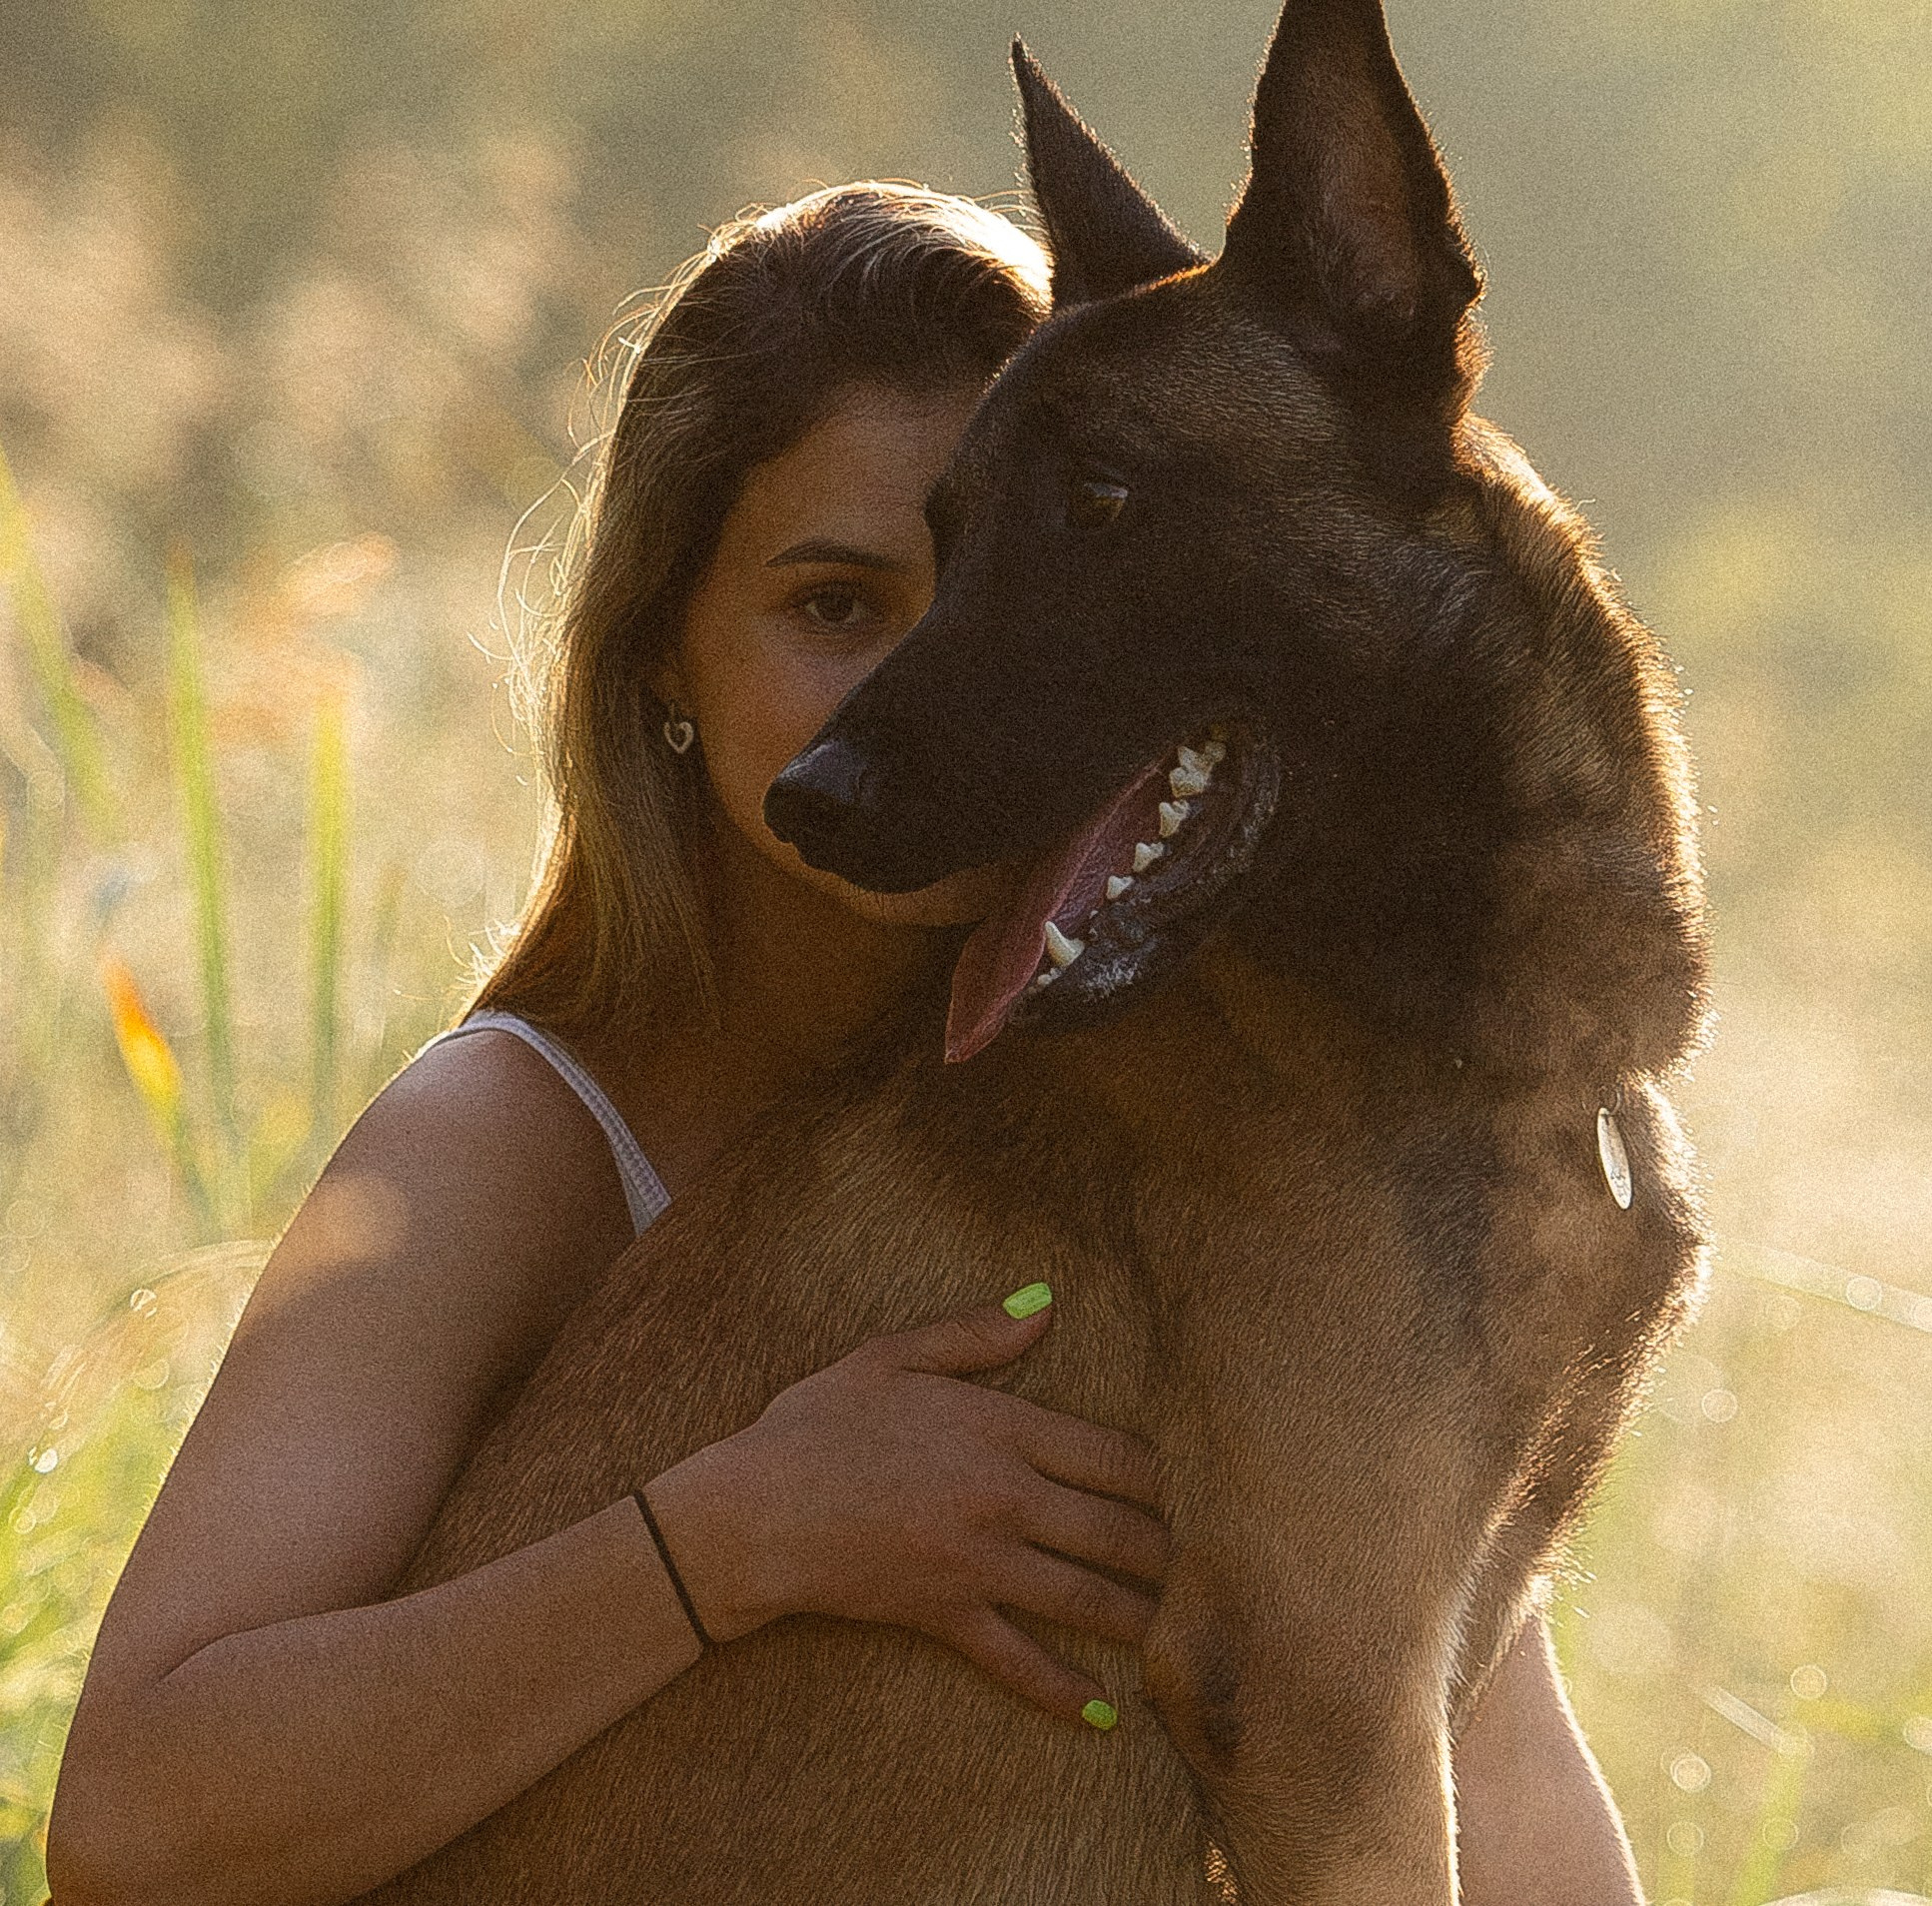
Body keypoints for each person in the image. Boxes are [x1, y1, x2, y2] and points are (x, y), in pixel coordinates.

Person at [49, 183, 1643, 1906]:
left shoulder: (1222, 1098)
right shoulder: (509, 1139)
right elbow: (138, 1828)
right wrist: (732, 1538)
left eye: (1005, 581)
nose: (944, 684)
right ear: (664, 646)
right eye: (835, 605)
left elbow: (1472, 1738)